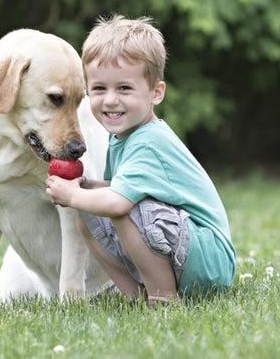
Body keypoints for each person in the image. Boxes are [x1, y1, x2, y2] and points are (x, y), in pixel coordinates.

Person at [46, 15, 235, 307]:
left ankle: (162, 298)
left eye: (124, 88)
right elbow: (119, 189)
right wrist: (89, 187)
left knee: (119, 207)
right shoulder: (123, 136)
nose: (110, 100)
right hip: (185, 250)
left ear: (155, 93)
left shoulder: (148, 142)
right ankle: (137, 295)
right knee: (87, 212)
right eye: (99, 89)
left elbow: (119, 202)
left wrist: (73, 194)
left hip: (208, 259)